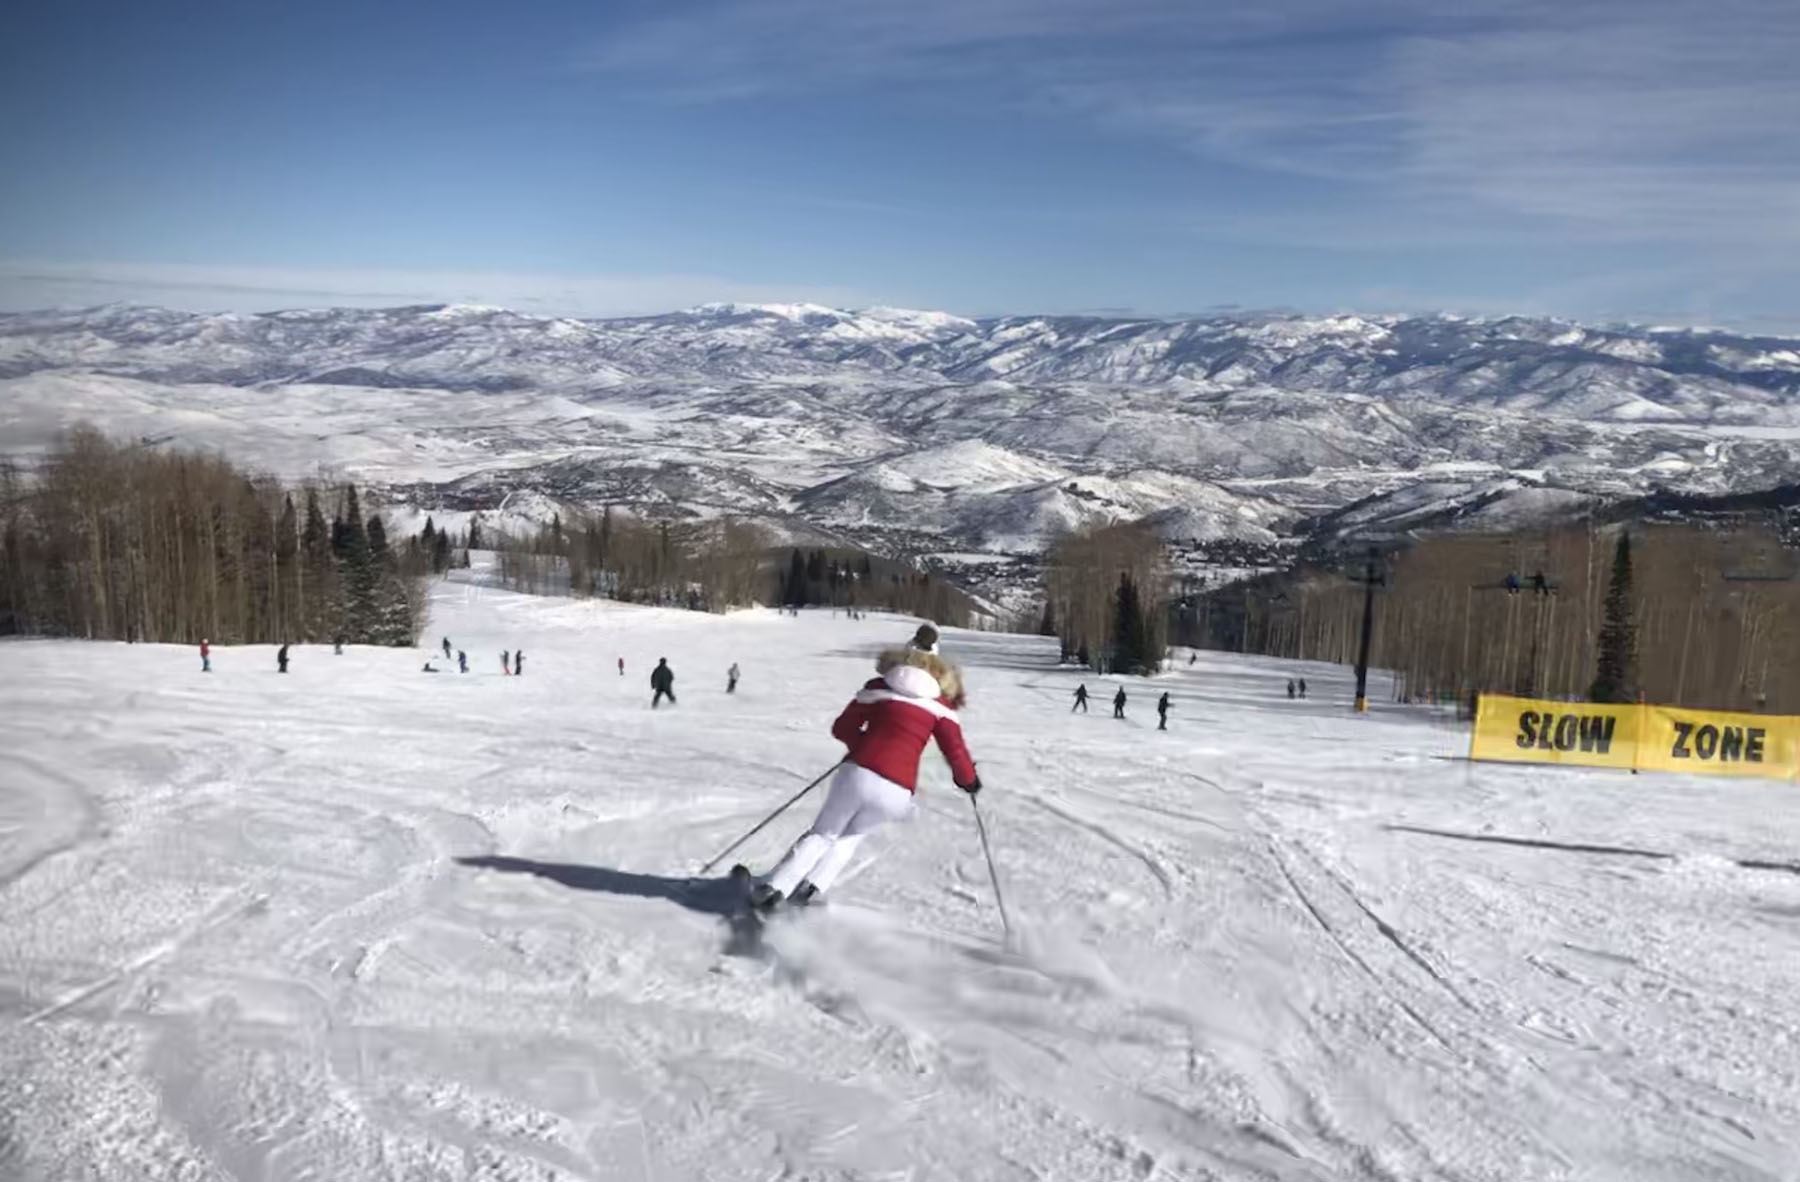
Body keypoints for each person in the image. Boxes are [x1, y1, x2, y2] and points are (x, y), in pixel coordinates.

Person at [749, 646, 978, 910]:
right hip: (897, 791)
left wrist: (864, 745)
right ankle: (809, 890)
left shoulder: (879, 688)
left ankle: (775, 889)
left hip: (858, 773)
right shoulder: (941, 709)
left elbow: (842, 727)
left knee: (824, 833)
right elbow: (956, 752)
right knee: (850, 838)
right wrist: (969, 781)